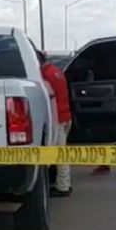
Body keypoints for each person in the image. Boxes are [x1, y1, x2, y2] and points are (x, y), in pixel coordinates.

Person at [40, 58, 73, 197]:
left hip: (57, 118)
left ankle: (63, 187)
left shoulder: (44, 75)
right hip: (65, 116)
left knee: (60, 156)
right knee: (61, 153)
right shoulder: (56, 71)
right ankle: (62, 182)